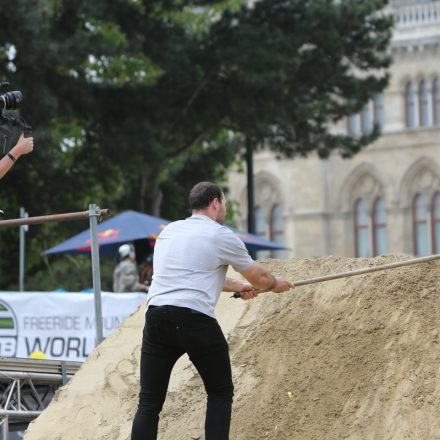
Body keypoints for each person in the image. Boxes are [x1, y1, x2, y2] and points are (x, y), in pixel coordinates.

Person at [131, 181, 293, 440]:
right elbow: (260, 277)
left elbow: (195, 274)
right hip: (194, 319)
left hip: (157, 316)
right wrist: (274, 284)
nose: (225, 210)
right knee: (220, 392)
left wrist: (239, 286)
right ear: (215, 202)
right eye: (225, 204)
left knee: (148, 403)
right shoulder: (220, 234)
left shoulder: (169, 231)